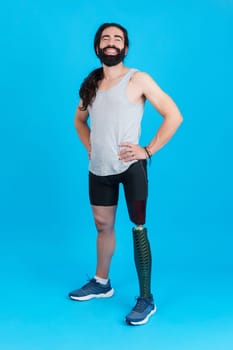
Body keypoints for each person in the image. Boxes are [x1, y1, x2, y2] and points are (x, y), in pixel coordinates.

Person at [68, 22, 183, 326]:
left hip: (131, 167)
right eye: (105, 38)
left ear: (125, 48)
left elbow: (174, 115)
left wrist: (147, 151)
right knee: (102, 225)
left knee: (138, 227)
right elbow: (80, 122)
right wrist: (89, 145)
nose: (111, 42)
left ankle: (146, 299)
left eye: (117, 39)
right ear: (97, 47)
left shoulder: (138, 79)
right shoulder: (90, 84)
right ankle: (101, 282)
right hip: (100, 168)